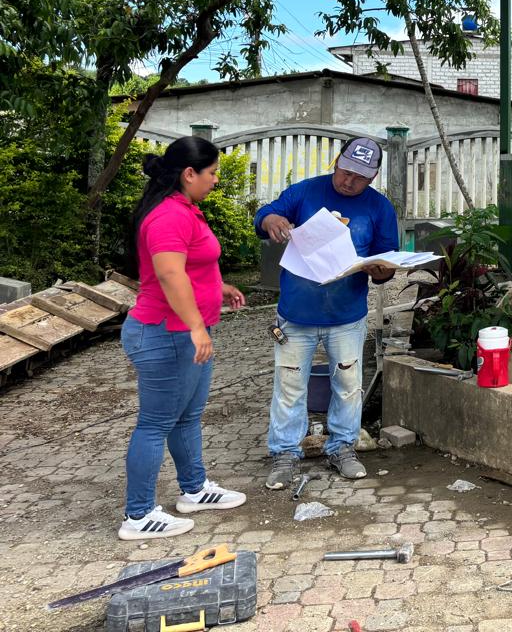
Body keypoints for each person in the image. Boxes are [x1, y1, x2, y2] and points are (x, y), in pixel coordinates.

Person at [120, 137, 247, 540]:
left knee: (186, 417)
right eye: (212, 173)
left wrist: (218, 287)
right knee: (155, 424)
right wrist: (195, 325)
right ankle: (138, 515)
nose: (215, 180)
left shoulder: (184, 208)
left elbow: (189, 265)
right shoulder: (167, 216)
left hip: (182, 333)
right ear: (189, 173)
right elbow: (168, 273)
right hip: (167, 334)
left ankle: (194, 489)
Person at [255, 136, 399, 489]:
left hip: (347, 315)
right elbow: (265, 214)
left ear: (373, 177)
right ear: (336, 162)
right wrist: (270, 219)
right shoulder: (305, 191)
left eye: (360, 177)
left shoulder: (379, 207)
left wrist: (381, 271)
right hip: (295, 314)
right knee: (289, 387)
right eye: (345, 172)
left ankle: (343, 448)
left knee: (348, 386)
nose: (349, 181)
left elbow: (387, 262)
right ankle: (285, 454)